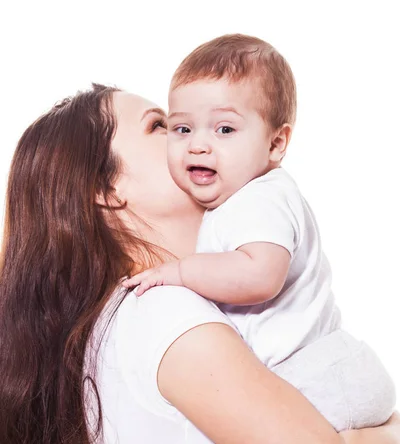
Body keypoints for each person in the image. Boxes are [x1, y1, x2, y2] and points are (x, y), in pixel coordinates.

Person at [0, 83, 398, 444]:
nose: (188, 137)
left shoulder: (117, 321)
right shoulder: (166, 311)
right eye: (161, 126)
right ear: (106, 188)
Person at [124, 34, 396, 432]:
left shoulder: (260, 199)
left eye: (225, 130)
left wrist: (181, 272)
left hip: (319, 372)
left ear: (276, 143)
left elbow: (260, 275)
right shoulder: (233, 202)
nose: (198, 144)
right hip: (312, 371)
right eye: (181, 129)